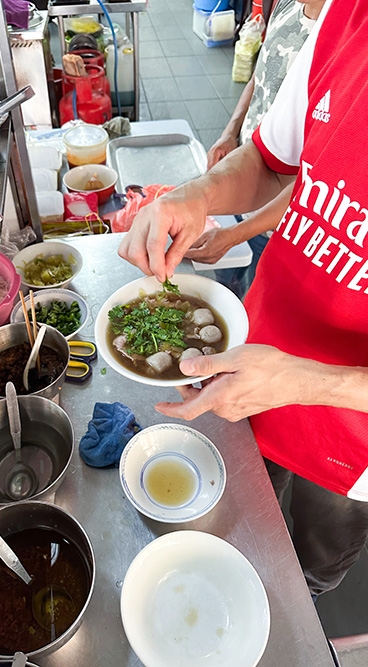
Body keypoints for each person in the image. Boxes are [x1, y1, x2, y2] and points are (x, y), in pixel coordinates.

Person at [118, 0, 368, 597]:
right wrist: (197, 196)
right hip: (249, 357)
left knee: (300, 580)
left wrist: (307, 381)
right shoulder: (342, 18)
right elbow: (273, 162)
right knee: (235, 533)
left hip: (345, 439)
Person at [187, 0, 324, 298]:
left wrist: (235, 236)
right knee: (221, 276)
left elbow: (319, 180)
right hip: (244, 169)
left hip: (281, 214)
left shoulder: (341, 36)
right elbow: (262, 71)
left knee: (253, 296)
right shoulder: (287, 4)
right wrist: (231, 132)